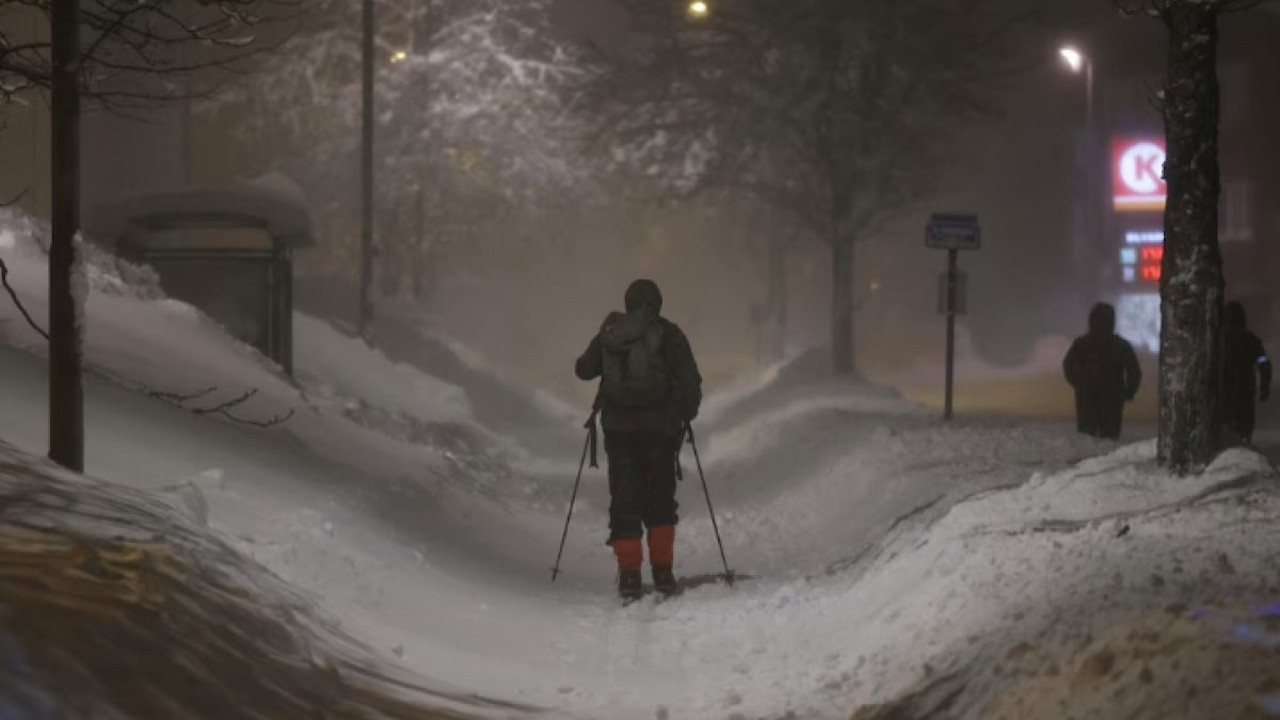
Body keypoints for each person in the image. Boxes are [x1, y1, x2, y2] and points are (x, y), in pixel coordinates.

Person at [575, 279, 702, 600]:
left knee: (624, 499)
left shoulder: (613, 331)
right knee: (660, 497)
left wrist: (602, 339)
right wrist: (685, 413)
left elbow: (583, 370)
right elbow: (689, 381)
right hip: (661, 430)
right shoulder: (670, 335)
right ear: (658, 303)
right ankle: (662, 570)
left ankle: (630, 574)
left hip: (619, 430)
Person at [1063, 302, 1142, 440]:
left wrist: (1078, 383)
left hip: (1087, 396)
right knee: (1109, 438)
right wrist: (1129, 392)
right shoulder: (1120, 346)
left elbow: (1068, 366)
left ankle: (1088, 461)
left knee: (1086, 437)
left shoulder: (1082, 344)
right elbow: (1133, 371)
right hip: (1112, 397)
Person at [1222, 301, 1271, 444]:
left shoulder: (1217, 340)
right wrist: (1264, 386)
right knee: (1245, 427)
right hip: (1245, 390)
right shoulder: (1252, 340)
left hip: (1223, 391)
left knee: (1226, 425)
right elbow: (1263, 364)